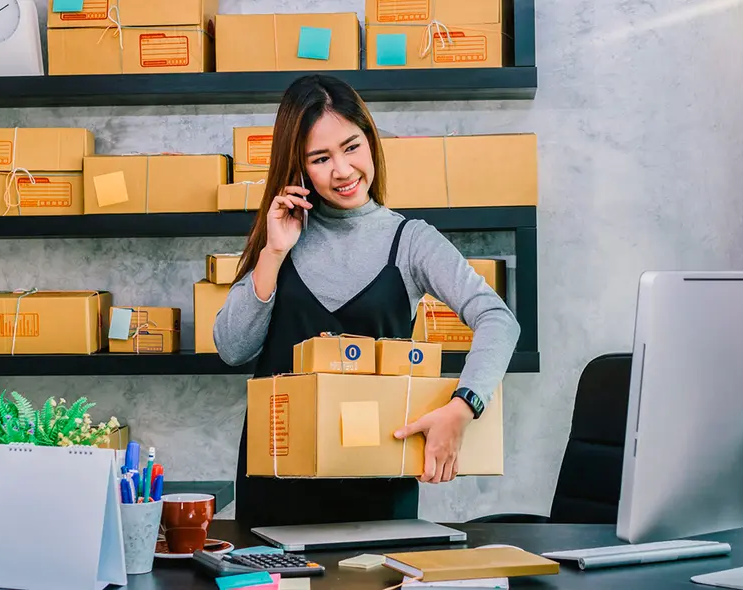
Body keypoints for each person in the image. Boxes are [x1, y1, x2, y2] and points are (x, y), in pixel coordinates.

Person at [214, 74, 519, 528]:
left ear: (371, 142)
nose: (342, 170)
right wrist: (273, 253)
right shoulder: (280, 238)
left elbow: (498, 318)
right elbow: (232, 348)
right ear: (297, 167)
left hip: (378, 485)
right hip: (275, 486)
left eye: (351, 147)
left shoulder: (411, 241)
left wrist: (463, 405)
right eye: (320, 158)